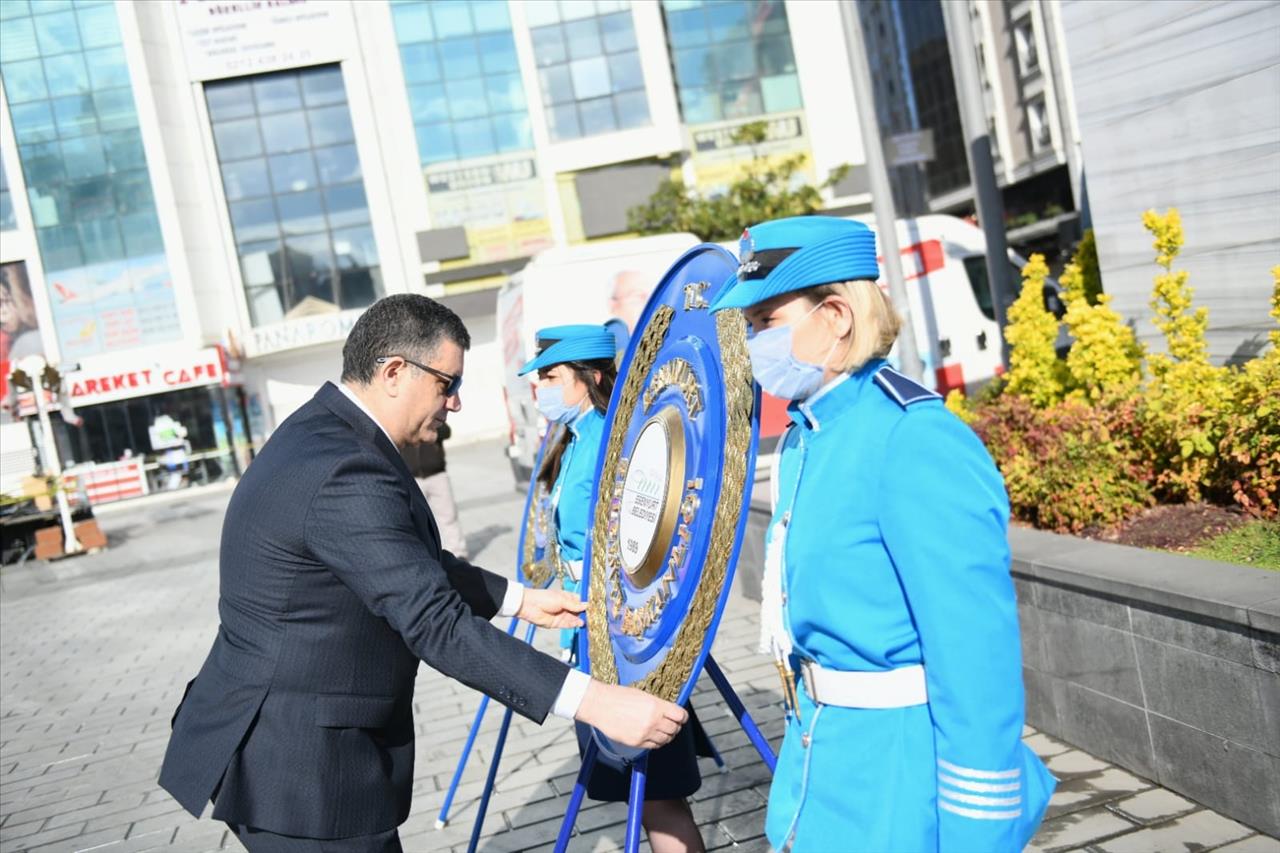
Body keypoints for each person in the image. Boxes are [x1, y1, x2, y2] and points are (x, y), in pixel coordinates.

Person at [158, 295, 688, 852]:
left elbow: (402, 560)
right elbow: (435, 623)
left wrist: (518, 599)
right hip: (303, 768)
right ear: (393, 372)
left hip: (290, 741)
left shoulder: (331, 434)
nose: (454, 403)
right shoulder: (345, 468)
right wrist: (597, 703)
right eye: (446, 384)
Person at [709, 217, 1055, 852]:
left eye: (766, 322)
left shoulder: (913, 437)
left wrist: (977, 831)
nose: (754, 342)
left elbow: (974, 655)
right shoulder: (808, 436)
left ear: (836, 314)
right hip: (823, 756)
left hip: (901, 774)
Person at [518, 324, 710, 853]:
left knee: (656, 789)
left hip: (624, 633)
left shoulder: (612, 440)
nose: (541, 388)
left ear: (591, 377)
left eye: (551, 376)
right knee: (636, 787)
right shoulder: (577, 438)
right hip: (588, 631)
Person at [401, 422, 467, 559]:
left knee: (448, 515)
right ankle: (425, 556)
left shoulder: (432, 416)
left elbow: (446, 432)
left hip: (437, 474)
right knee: (417, 521)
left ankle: (458, 553)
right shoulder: (404, 419)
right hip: (413, 478)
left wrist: (430, 426)